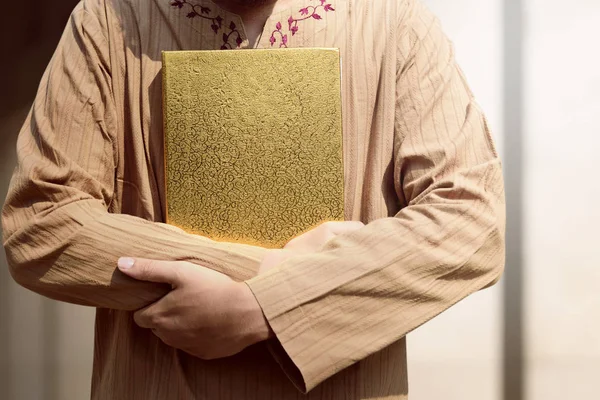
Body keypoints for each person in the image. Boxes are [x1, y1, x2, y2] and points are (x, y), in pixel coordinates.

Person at [1, 0, 506, 398]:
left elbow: (471, 221)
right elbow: (40, 221)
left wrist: (261, 308)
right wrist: (276, 280)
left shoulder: (395, 22)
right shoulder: (108, 21)